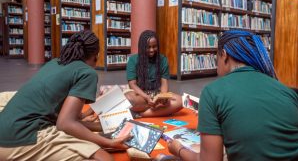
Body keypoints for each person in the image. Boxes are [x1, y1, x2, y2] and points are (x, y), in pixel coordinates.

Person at [165, 30, 298, 161]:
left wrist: (178, 149)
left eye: (216, 59)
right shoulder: (288, 92)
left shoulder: (213, 92)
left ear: (224, 55)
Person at [0, 30, 130, 161]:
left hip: (6, 129)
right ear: (96, 56)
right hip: (22, 137)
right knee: (105, 158)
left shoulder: (54, 62)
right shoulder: (87, 73)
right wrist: (109, 143)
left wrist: (94, 126)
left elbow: (61, 116)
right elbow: (65, 124)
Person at [125, 30, 182, 117]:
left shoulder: (163, 60)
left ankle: (142, 114)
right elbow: (132, 84)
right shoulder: (133, 60)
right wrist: (146, 97)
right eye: (148, 47)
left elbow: (164, 83)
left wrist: (163, 97)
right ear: (142, 47)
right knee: (128, 99)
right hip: (140, 95)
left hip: (156, 94)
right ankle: (159, 110)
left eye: (154, 46)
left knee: (180, 101)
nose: (152, 50)